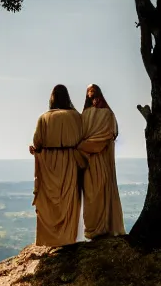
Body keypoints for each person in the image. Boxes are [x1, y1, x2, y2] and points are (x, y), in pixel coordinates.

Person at [29, 84, 86, 247]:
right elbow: (83, 138)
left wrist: (38, 150)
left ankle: (51, 240)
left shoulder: (44, 118)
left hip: (49, 163)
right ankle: (70, 238)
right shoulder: (77, 117)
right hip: (70, 161)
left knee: (50, 202)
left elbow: (37, 142)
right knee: (69, 200)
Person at [78, 84, 126, 239]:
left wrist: (84, 146)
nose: (94, 99)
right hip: (94, 160)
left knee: (95, 194)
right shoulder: (100, 115)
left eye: (94, 94)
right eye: (90, 95)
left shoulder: (91, 115)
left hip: (93, 160)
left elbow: (104, 136)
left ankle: (98, 229)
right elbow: (111, 134)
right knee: (95, 195)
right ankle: (96, 229)